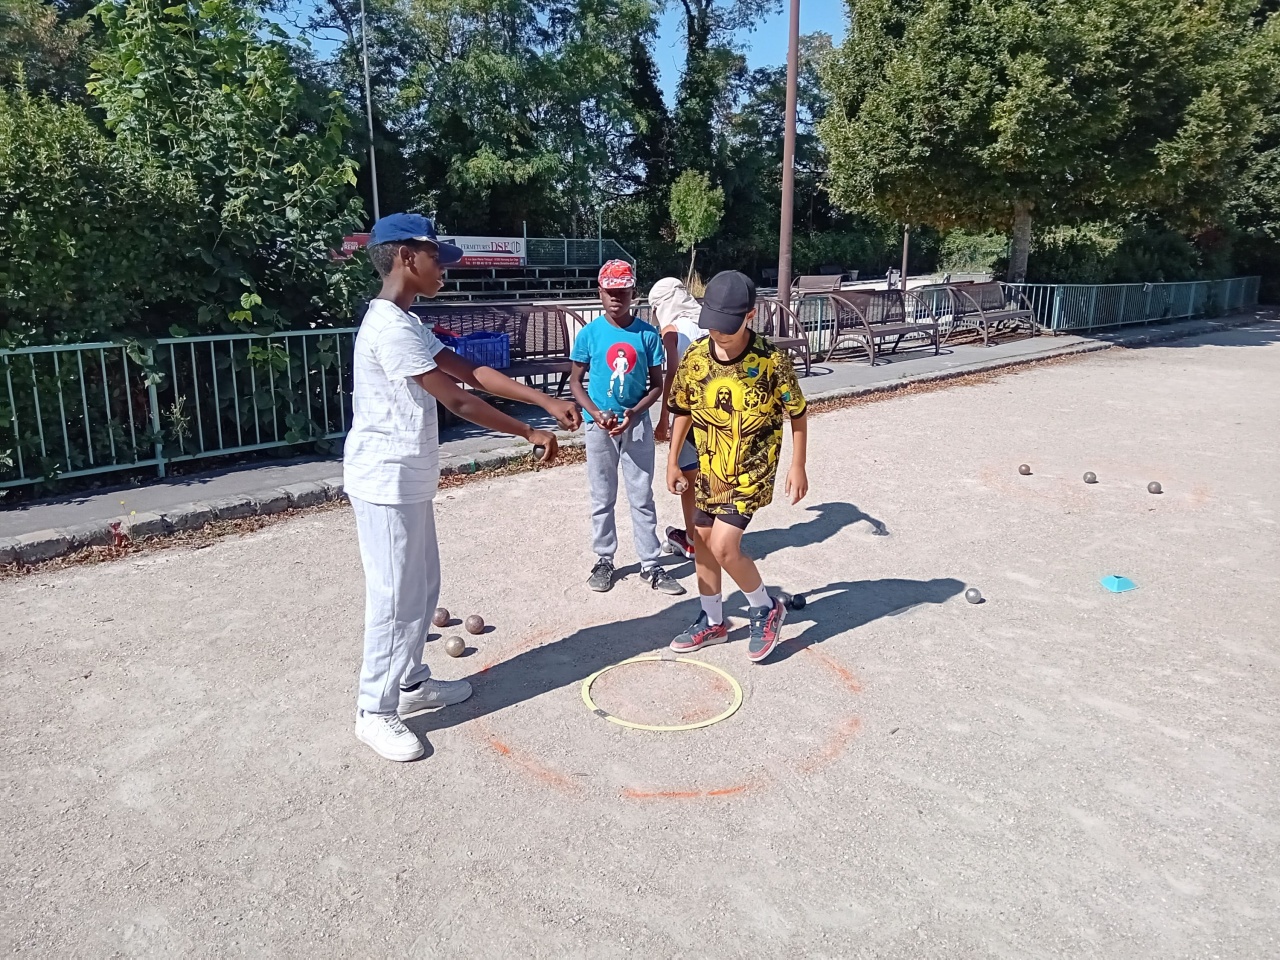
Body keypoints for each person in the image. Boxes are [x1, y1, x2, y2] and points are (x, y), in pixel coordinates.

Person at [345, 213, 581, 763]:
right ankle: (373, 711)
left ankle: (410, 683)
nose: (444, 269)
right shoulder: (389, 329)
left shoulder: (407, 322)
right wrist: (527, 431)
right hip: (384, 480)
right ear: (407, 257)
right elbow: (456, 398)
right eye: (437, 258)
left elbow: (471, 372)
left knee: (423, 588)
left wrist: (544, 401)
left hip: (407, 478)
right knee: (394, 597)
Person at [665, 270, 809, 663]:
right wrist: (673, 461)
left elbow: (797, 413)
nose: (719, 334)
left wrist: (798, 465)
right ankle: (713, 620)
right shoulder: (696, 357)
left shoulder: (771, 361)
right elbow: (682, 409)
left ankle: (765, 607)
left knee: (725, 546)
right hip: (710, 466)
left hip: (751, 468)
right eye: (712, 325)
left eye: (727, 326)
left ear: (750, 315)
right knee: (701, 539)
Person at [570, 260, 685, 596]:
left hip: (636, 426)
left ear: (634, 293)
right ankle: (604, 559)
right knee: (602, 495)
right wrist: (595, 413)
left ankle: (650, 563)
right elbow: (576, 382)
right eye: (610, 291)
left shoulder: (647, 334)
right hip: (598, 427)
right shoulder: (589, 334)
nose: (616, 298)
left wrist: (634, 412)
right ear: (600, 292)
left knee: (641, 495)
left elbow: (657, 385)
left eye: (623, 291)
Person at [650, 276, 705, 560]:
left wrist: (664, 419)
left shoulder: (671, 331)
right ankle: (716, 536)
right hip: (716, 412)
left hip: (687, 413)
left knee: (688, 477)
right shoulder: (709, 323)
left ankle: (693, 540)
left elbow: (672, 374)